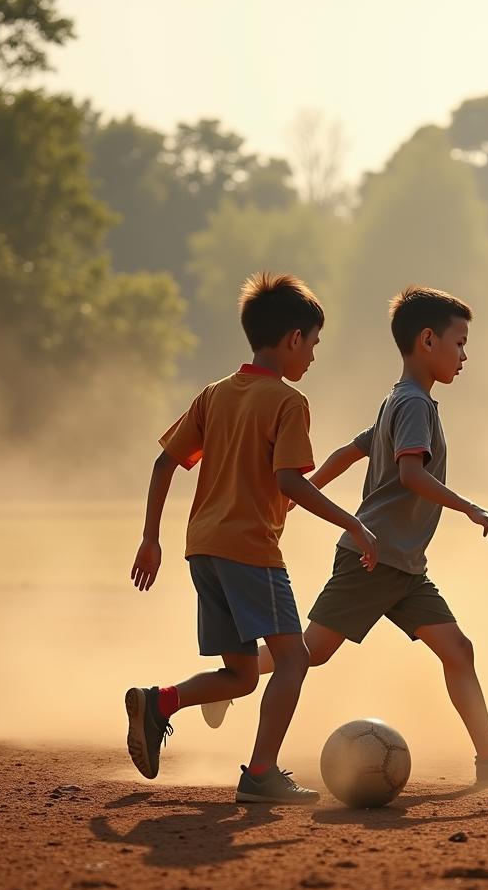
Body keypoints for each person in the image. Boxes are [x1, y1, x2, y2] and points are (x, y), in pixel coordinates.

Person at [204, 286, 488, 786]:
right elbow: (411, 474)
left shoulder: (401, 400)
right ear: (427, 340)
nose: (465, 355)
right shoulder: (412, 405)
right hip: (374, 558)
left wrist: (303, 492)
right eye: (460, 342)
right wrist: (472, 508)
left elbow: (350, 449)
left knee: (459, 650)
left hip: (403, 566)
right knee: (309, 653)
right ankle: (231, 683)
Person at [125, 273, 376, 804]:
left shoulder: (214, 394)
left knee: (241, 675)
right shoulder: (287, 402)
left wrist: (152, 539)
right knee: (294, 659)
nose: (311, 356)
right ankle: (261, 773)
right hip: (250, 551)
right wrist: (352, 523)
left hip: (203, 550)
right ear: (292, 339)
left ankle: (160, 702)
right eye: (312, 344)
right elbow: (289, 482)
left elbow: (164, 462)